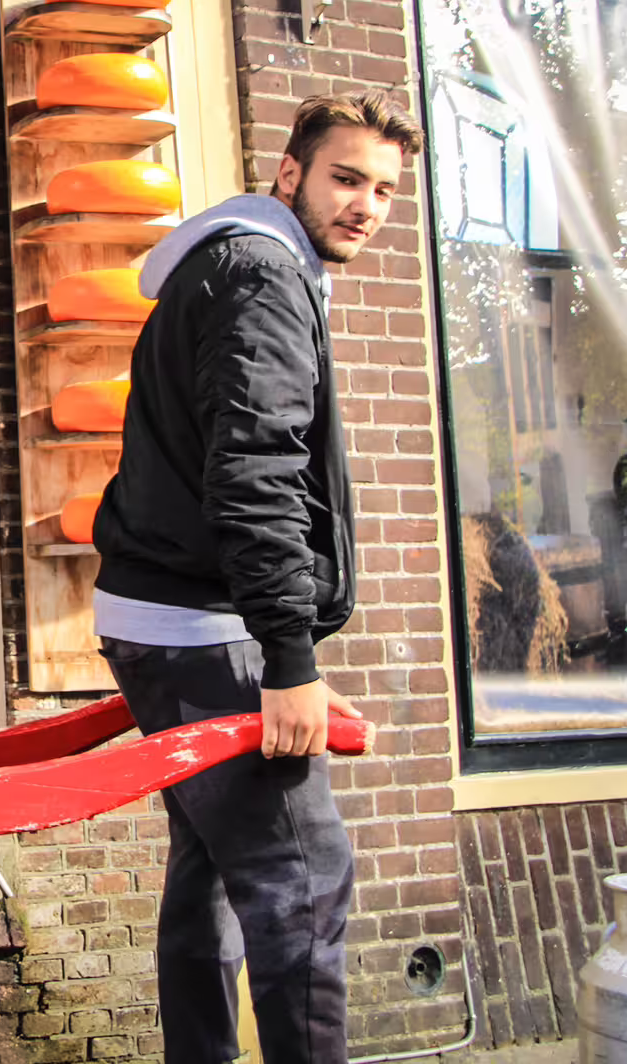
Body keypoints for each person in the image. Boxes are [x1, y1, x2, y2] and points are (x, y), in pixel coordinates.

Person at [91, 90, 424, 1064]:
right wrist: (289, 656)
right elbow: (255, 473)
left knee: (210, 870)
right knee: (303, 879)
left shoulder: (234, 267)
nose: (366, 203)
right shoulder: (263, 277)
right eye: (346, 178)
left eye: (384, 189)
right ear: (291, 174)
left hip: (166, 614)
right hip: (205, 627)